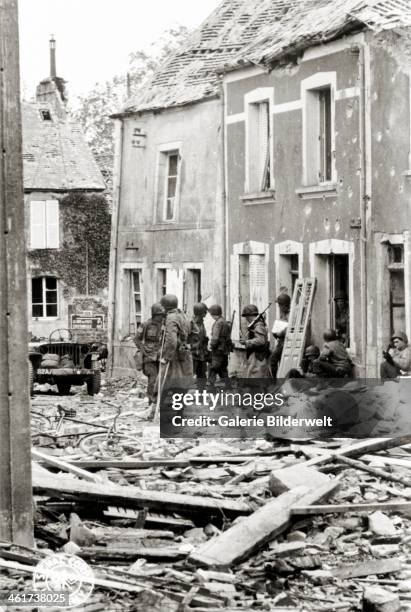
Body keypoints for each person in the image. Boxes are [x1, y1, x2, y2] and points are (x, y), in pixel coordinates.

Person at [134, 302, 165, 413]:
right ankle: (151, 403)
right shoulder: (146, 325)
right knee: (153, 379)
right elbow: (136, 339)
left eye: (162, 315)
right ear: (155, 314)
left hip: (160, 356)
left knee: (161, 379)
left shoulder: (165, 325)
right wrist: (143, 350)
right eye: (160, 315)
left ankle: (159, 403)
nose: (161, 317)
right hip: (149, 357)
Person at [159, 294, 193, 381]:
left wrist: (166, 357)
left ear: (166, 306)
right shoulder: (183, 315)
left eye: (163, 306)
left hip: (174, 354)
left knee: (168, 380)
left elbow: (171, 341)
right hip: (184, 351)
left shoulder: (171, 318)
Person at [241, 304, 271, 378]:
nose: (246, 319)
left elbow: (261, 340)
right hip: (256, 355)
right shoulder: (256, 325)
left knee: (256, 378)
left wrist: (246, 342)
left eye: (247, 316)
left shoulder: (259, 325)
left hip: (258, 356)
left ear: (250, 316)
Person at [208, 304, 232, 386]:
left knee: (213, 368)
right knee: (223, 368)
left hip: (218, 349)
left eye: (211, 314)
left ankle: (210, 387)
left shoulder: (218, 323)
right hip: (224, 349)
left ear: (214, 314)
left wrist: (211, 346)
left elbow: (215, 337)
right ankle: (228, 386)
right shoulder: (224, 321)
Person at [270, 292, 291, 380]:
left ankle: (276, 380)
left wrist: (280, 333)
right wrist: (275, 333)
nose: (279, 307)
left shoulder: (291, 314)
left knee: (274, 359)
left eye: (280, 305)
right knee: (274, 360)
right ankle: (276, 379)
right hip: (281, 341)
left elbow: (290, 328)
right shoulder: (283, 313)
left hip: (287, 341)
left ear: (284, 305)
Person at [189, 302, 209, 380]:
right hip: (193, 354)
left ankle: (201, 391)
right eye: (204, 312)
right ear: (200, 312)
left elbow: (203, 338)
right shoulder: (191, 323)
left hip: (201, 354)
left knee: (202, 375)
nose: (206, 314)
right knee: (190, 375)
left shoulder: (201, 323)